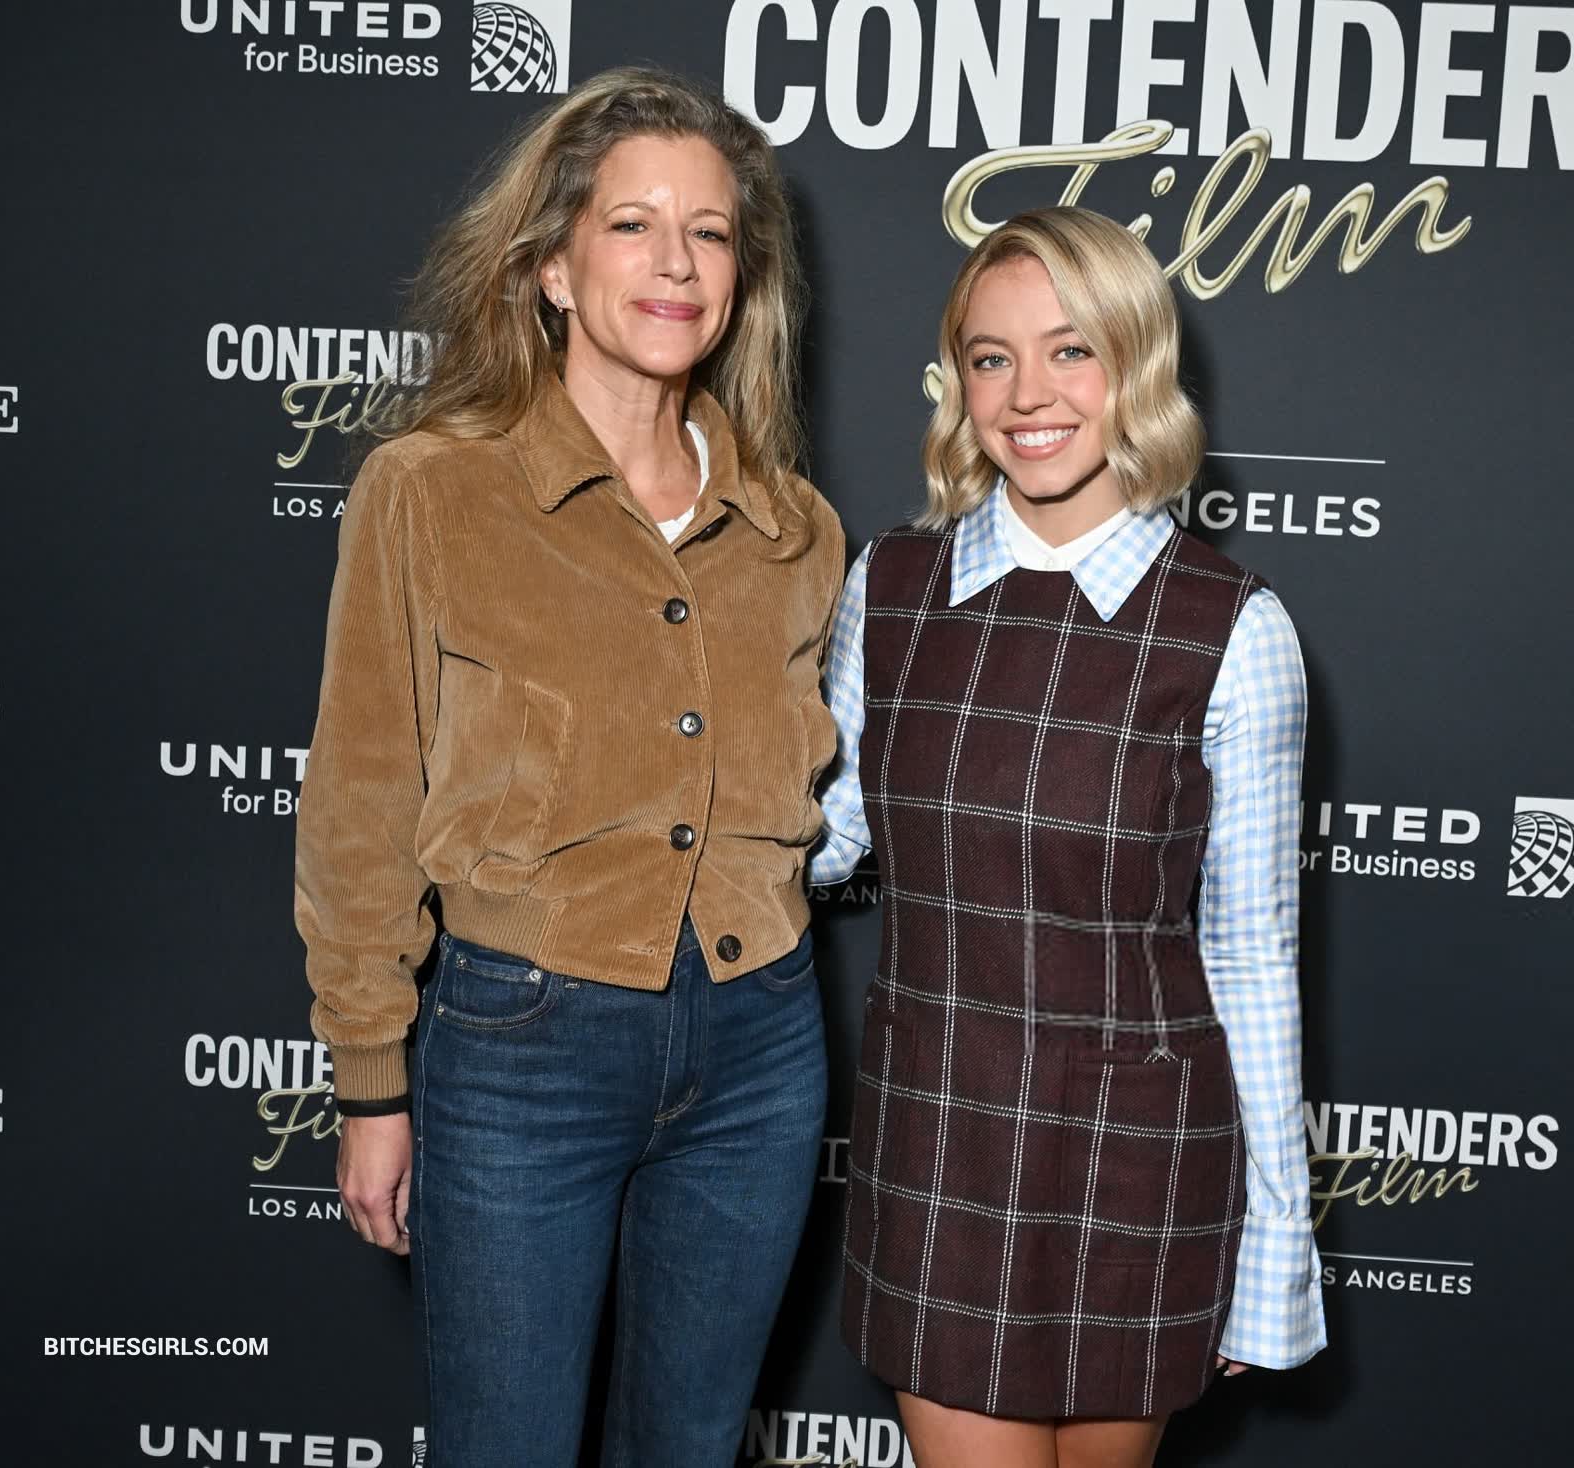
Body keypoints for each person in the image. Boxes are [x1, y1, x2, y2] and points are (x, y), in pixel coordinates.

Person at [293, 67, 845, 1468]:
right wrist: (371, 1081)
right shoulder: (431, 491)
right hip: (523, 1048)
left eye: (710, 232)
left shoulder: (795, 529)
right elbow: (362, 801)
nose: (677, 264)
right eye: (632, 225)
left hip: (761, 1046)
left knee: (692, 1443)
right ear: (551, 264)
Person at [810, 206, 1326, 1468]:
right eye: (990, 358)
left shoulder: (1234, 628)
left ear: (1134, 365)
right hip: (940, 1134)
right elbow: (824, 838)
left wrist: (1275, 1241)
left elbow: (1249, 954)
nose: (1027, 395)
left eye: (1070, 350)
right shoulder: (890, 589)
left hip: (1137, 1153)